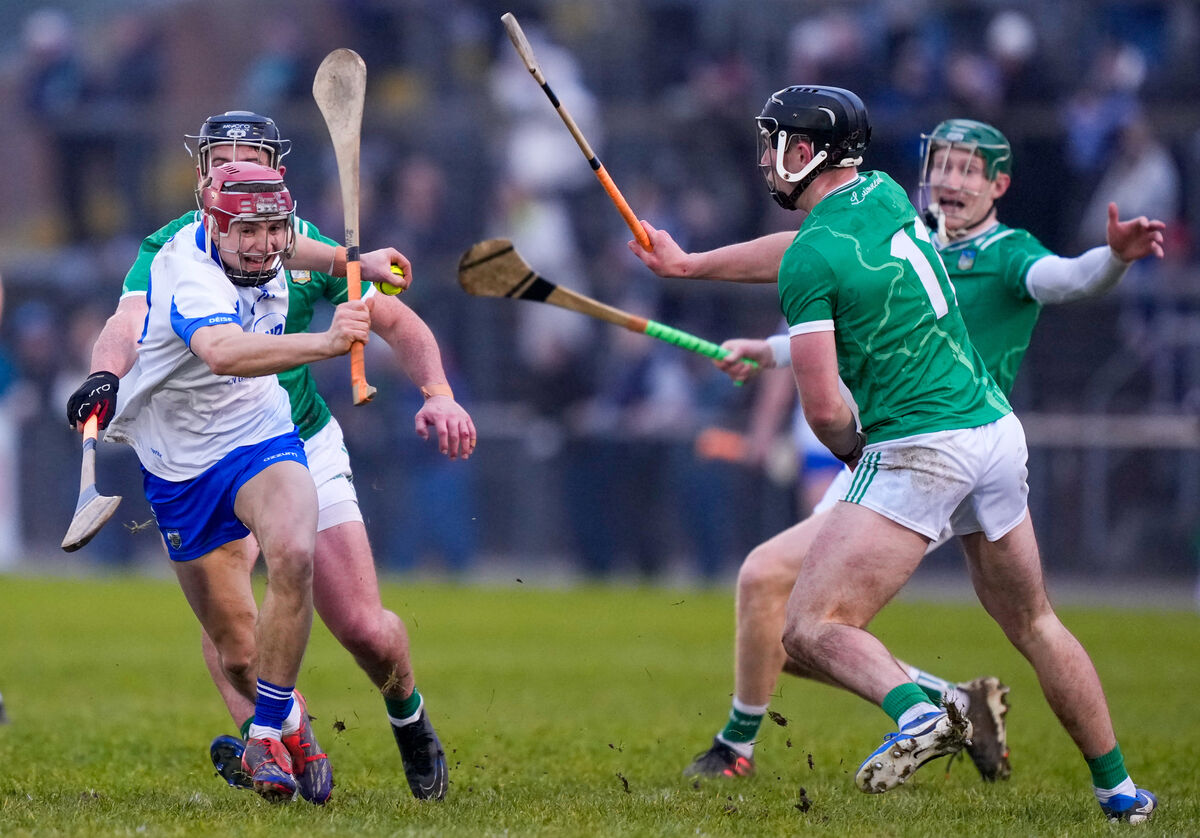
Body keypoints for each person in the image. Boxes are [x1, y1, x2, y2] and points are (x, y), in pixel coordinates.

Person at [629, 86, 1158, 824]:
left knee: (810, 629)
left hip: (919, 445)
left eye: (773, 141)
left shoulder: (840, 255)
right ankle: (1122, 794)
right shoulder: (877, 195)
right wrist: (690, 266)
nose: (763, 157)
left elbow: (824, 407)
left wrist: (857, 461)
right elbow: (809, 251)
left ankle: (926, 711)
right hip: (995, 433)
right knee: (1036, 622)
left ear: (804, 151)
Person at [66, 111, 475, 802]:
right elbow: (136, 327)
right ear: (205, 187)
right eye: (220, 163)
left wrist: (436, 389)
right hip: (190, 455)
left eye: (247, 161)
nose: (234, 175)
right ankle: (286, 742)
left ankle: (401, 713)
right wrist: (104, 373)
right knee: (231, 640)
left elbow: (391, 316)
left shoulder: (286, 240)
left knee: (365, 629)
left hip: (289, 433)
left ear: (277, 181)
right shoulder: (174, 254)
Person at [79, 161, 365, 804]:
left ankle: (264, 731)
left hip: (261, 436)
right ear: (213, 224)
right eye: (249, 232)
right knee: (238, 653)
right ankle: (294, 727)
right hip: (182, 468)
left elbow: (298, 243)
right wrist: (327, 342)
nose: (264, 245)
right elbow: (225, 353)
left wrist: (360, 261)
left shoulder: (268, 243)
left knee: (294, 551)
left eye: (273, 229)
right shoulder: (187, 270)